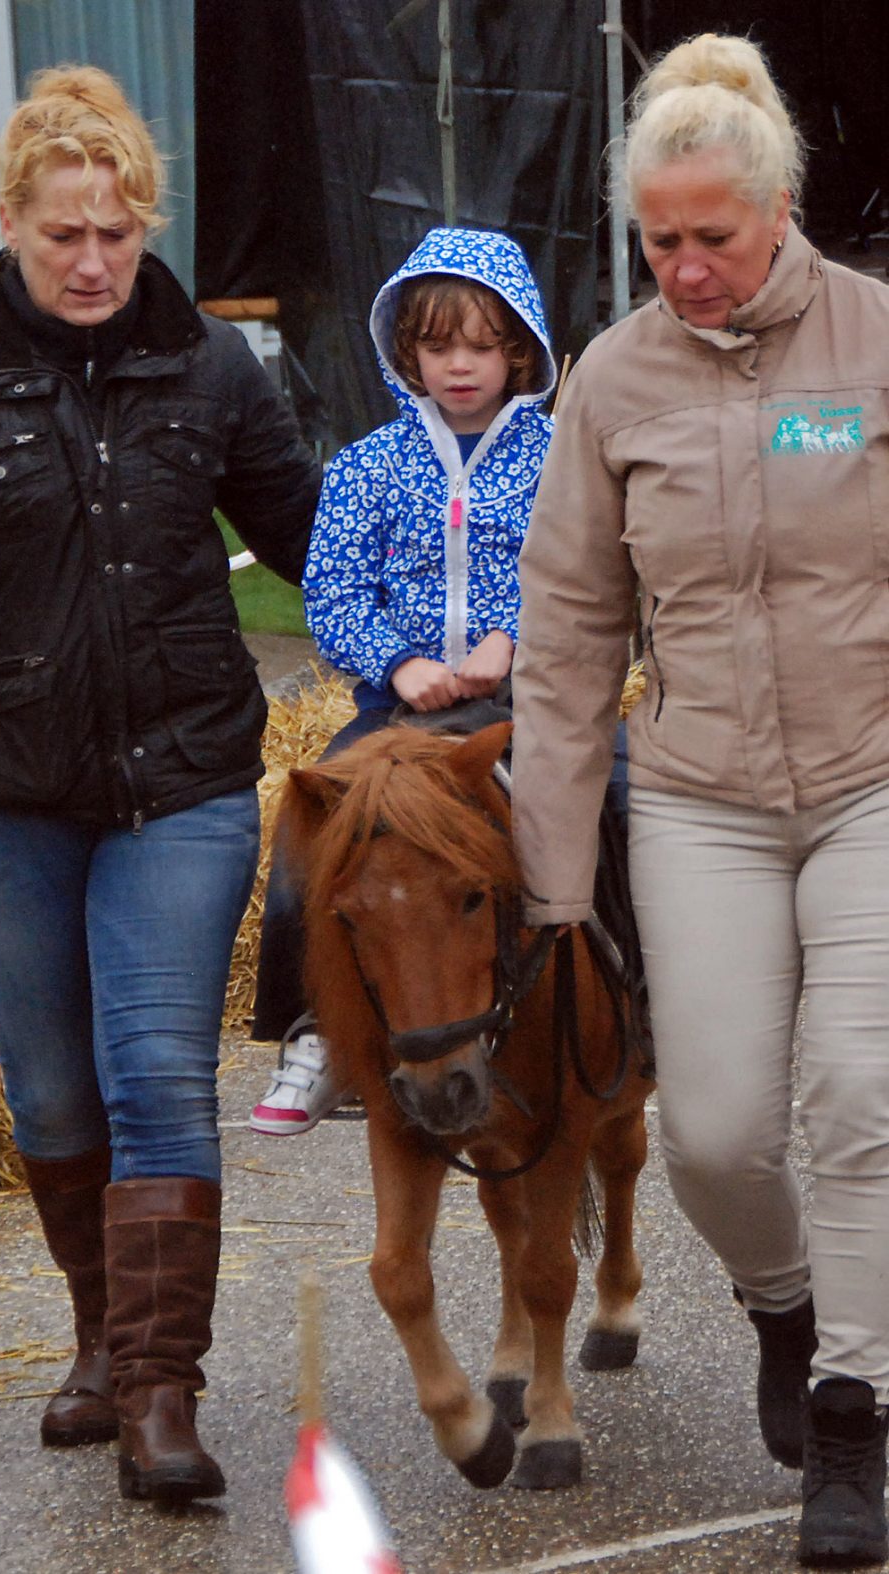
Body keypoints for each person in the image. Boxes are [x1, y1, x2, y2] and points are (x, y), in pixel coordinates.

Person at [510, 31, 889, 1569]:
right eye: (656, 241)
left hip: (875, 779)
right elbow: (566, 633)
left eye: (711, 238)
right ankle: (785, 1304)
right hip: (702, 797)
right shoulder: (612, 379)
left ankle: (858, 1412)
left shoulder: (874, 344)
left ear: (781, 205)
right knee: (715, 1135)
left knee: (862, 1090)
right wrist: (551, 879)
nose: (684, 267)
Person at [0, 67, 321, 1504]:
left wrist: (428, 644)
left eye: (116, 231)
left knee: (156, 1071)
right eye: (62, 235)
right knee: (47, 1092)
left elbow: (304, 535)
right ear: (10, 229)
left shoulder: (212, 369)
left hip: (183, 783)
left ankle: (165, 1394)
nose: (93, 261)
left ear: (146, 224)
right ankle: (100, 1334)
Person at [248, 225, 557, 1134]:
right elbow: (332, 591)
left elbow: (588, 573)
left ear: (519, 350)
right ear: (404, 352)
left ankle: (644, 1001)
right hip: (397, 714)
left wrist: (516, 638)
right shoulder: (363, 469)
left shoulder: (557, 459)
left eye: (480, 345)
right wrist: (399, 663)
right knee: (310, 835)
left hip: (524, 704)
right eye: (436, 345)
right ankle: (312, 1034)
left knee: (617, 800)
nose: (458, 365)